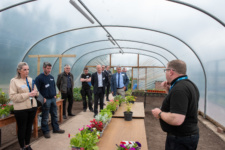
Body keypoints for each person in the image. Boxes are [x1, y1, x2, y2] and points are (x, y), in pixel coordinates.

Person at [151, 60, 200, 150]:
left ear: (171, 72)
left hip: (180, 139)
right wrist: (168, 90)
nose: (165, 73)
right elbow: (177, 103)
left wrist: (159, 113)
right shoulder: (189, 84)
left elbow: (177, 119)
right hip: (186, 136)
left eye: (165, 70)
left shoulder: (179, 89)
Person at [9, 62, 38, 150]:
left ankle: (27, 145)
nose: (27, 71)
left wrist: (35, 93)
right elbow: (12, 97)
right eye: (24, 70)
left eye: (28, 69)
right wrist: (28, 94)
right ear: (19, 71)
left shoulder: (30, 80)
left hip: (32, 107)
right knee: (22, 128)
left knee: (29, 127)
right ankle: (22, 147)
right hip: (21, 109)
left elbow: (36, 91)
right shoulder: (14, 81)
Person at [35, 62, 65, 139]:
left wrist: (55, 94)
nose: (49, 70)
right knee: (45, 116)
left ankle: (56, 128)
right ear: (43, 68)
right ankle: (46, 131)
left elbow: (53, 87)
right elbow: (36, 90)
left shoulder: (51, 77)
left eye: (50, 68)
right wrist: (42, 98)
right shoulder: (39, 78)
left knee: (54, 114)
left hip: (52, 99)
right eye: (47, 68)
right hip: (46, 100)